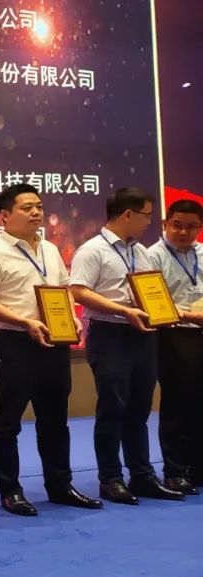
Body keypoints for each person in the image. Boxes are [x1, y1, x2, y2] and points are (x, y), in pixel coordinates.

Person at [0, 184, 102, 516]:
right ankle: (10, 491)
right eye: (27, 207)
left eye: (39, 206)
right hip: (15, 342)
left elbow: (63, 291)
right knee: (8, 422)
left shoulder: (50, 249)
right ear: (5, 215)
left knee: (55, 419)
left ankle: (60, 485)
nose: (35, 213)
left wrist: (72, 319)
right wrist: (24, 321)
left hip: (54, 342)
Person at [69, 187, 184, 504]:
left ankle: (142, 475)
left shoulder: (141, 251)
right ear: (128, 214)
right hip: (110, 334)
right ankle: (110, 479)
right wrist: (123, 310)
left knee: (139, 408)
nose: (149, 222)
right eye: (146, 216)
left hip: (143, 333)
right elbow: (78, 291)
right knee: (113, 407)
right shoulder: (92, 250)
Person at [146, 198, 203, 494]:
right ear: (165, 224)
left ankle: (198, 467)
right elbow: (152, 302)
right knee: (177, 403)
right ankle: (175, 471)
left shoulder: (202, 253)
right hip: (173, 335)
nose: (183, 232)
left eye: (191, 227)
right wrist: (188, 315)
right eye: (177, 225)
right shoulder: (152, 256)